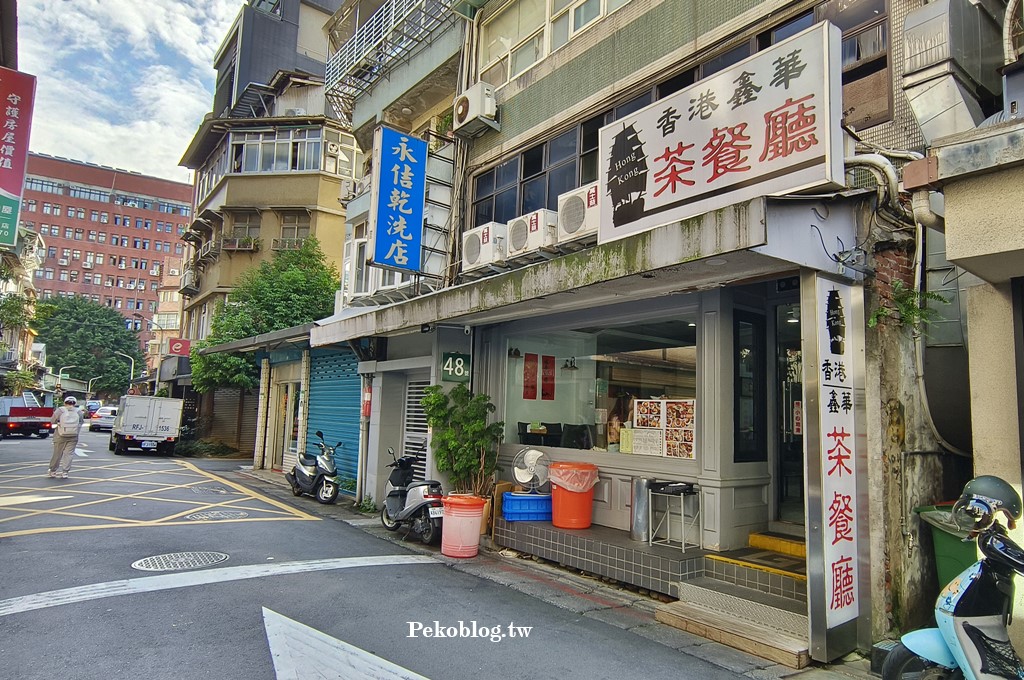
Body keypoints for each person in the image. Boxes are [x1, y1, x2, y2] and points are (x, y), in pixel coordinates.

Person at [48, 396, 84, 479]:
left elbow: (52, 421)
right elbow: (81, 422)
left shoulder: (60, 410)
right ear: (75, 403)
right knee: (69, 454)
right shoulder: (79, 412)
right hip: (73, 436)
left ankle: (53, 471)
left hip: (60, 435)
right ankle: (65, 472)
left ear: (65, 403)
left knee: (57, 453)